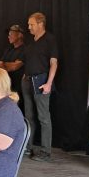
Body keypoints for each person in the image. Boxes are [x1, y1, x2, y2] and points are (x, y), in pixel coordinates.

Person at [21, 13, 59, 162]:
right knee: (28, 116)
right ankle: (28, 146)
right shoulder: (31, 42)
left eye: (31, 24)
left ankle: (45, 151)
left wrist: (49, 83)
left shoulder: (50, 39)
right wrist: (24, 76)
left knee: (43, 117)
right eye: (29, 24)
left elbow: (54, 63)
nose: (29, 27)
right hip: (28, 81)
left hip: (41, 80)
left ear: (40, 24)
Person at [0, 25, 26, 94]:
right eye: (8, 34)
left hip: (19, 88)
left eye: (11, 34)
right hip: (7, 86)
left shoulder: (25, 50)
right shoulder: (8, 49)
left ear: (19, 35)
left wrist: (4, 64)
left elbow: (15, 67)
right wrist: (8, 65)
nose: (8, 36)